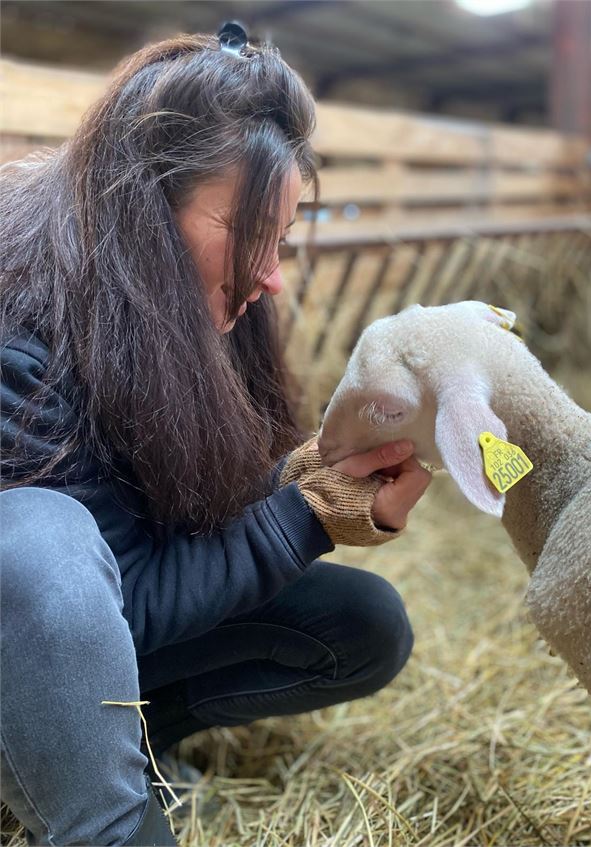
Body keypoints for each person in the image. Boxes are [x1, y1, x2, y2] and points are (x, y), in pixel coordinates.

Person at [0, 26, 432, 846]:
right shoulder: (21, 330)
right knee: (36, 533)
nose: (271, 273)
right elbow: (99, 607)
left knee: (360, 624)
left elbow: (179, 524)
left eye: (283, 236)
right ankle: (103, 817)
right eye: (247, 231)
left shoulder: (188, 293)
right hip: (24, 645)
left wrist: (309, 478)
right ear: (145, 199)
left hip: (90, 624)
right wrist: (304, 516)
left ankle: (125, 744)